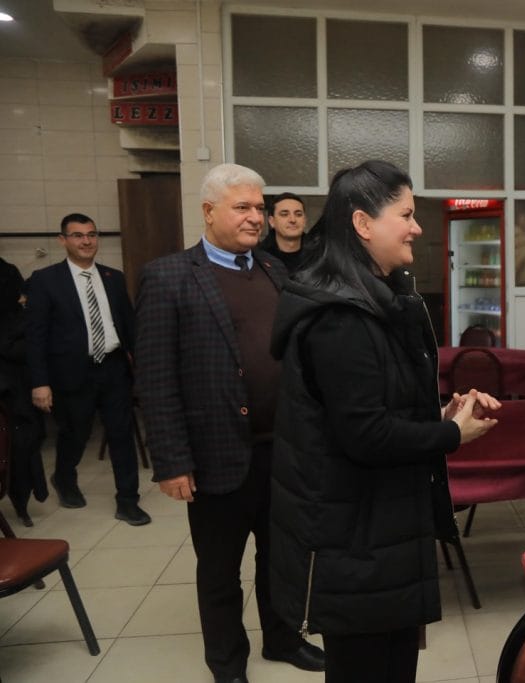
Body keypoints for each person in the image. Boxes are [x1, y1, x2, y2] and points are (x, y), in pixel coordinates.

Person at [268, 160, 500, 683]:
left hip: (382, 530)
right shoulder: (340, 317)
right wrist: (451, 434)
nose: (418, 227)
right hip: (354, 541)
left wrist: (440, 413)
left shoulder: (380, 298)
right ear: (362, 224)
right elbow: (365, 435)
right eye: (407, 214)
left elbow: (378, 408)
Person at [134, 163, 325, 683]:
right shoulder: (169, 275)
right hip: (216, 453)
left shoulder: (273, 271)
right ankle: (227, 664)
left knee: (280, 559)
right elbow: (154, 379)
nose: (256, 217)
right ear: (208, 211)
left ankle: (284, 639)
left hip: (280, 451)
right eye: (243, 207)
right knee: (219, 571)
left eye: (259, 208)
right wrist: (172, 462)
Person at [24, 214, 150, 526]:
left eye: (91, 235)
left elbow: (130, 327)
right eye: (78, 235)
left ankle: (128, 500)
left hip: (113, 368)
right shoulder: (45, 280)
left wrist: (145, 369)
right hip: (71, 373)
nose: (86, 241)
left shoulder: (113, 277)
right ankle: (64, 479)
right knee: (75, 434)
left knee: (122, 435)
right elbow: (35, 336)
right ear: (62, 240)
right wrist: (40, 383)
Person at [0, 258, 47, 527]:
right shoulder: (17, 321)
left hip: (15, 389)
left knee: (20, 445)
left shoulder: (7, 271)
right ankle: (22, 503)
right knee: (20, 445)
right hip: (14, 388)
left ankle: (22, 502)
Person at [259, 192, 307, 273]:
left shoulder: (320, 255)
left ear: (305, 220)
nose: (292, 220)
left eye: (298, 214)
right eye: (284, 214)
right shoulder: (259, 257)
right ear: (272, 221)